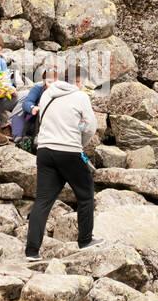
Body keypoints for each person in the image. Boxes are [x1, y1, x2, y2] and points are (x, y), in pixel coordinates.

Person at [25, 64, 102, 261]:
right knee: (85, 195)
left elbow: (42, 118)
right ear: (79, 81)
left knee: (43, 201)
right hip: (68, 151)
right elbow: (90, 126)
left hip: (44, 151)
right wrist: (80, 143)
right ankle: (85, 240)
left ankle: (32, 251)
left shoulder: (48, 94)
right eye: (83, 82)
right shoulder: (80, 96)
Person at [10, 62, 59, 140]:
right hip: (34, 121)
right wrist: (33, 108)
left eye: (54, 82)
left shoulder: (62, 92)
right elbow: (27, 102)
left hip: (53, 123)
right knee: (17, 120)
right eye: (49, 82)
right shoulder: (38, 88)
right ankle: (21, 140)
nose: (51, 85)